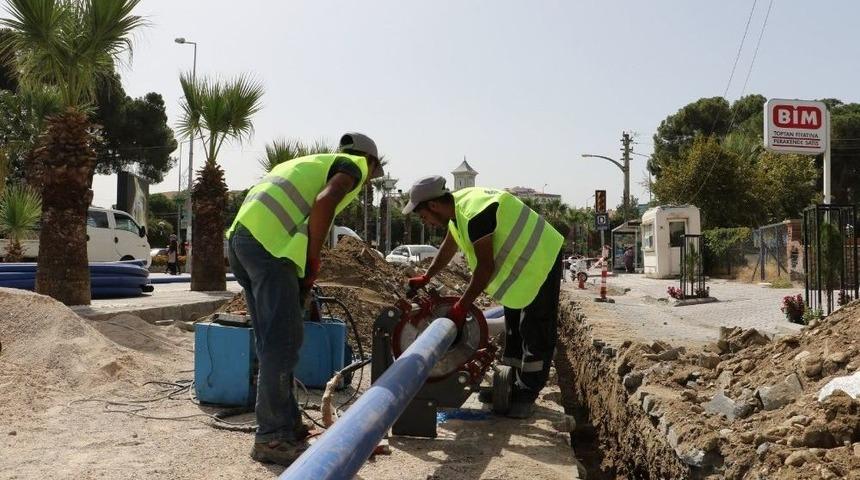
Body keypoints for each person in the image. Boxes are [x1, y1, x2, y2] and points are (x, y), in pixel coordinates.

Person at [226, 132, 384, 466]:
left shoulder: (305, 164)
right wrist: (312, 261)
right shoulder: (352, 165)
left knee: (274, 342)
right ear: (369, 161)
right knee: (282, 343)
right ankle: (271, 437)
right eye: (373, 173)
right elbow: (325, 203)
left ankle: (286, 425)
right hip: (269, 247)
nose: (368, 181)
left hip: (242, 243)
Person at [403, 176, 563, 419]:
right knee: (514, 326)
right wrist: (427, 276)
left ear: (434, 205)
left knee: (535, 326)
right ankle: (510, 386)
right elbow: (449, 247)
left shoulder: (473, 214)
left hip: (542, 256)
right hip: (523, 264)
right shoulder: (457, 212)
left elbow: (485, 268)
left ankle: (527, 393)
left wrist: (461, 306)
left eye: (423, 216)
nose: (425, 222)